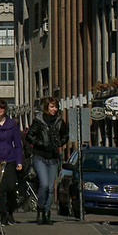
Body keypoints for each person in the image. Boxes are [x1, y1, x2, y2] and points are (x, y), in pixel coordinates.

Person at [26, 96, 69, 225]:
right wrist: (40, 143)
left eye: (56, 107)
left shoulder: (60, 122)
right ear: (46, 108)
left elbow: (65, 136)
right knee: (44, 184)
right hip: (40, 156)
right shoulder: (38, 121)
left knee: (50, 188)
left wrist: (59, 143)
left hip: (53, 158)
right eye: (52, 107)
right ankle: (40, 208)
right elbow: (29, 136)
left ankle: (46, 212)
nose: (54, 109)